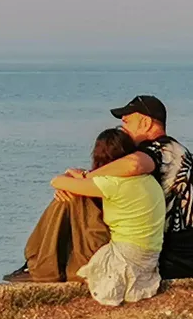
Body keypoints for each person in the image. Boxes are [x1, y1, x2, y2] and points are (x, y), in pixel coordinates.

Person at [3, 95, 193, 282]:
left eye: (127, 120)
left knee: (72, 199)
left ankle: (40, 261)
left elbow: (133, 164)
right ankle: (40, 259)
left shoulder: (159, 150)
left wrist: (85, 179)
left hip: (175, 252)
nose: (123, 125)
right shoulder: (178, 150)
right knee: (76, 194)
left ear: (145, 122)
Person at [50, 128, 166, 306]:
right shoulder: (149, 180)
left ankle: (44, 259)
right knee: (74, 194)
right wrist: (81, 177)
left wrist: (70, 176)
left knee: (72, 200)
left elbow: (56, 182)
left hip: (126, 254)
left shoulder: (112, 184)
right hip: (149, 256)